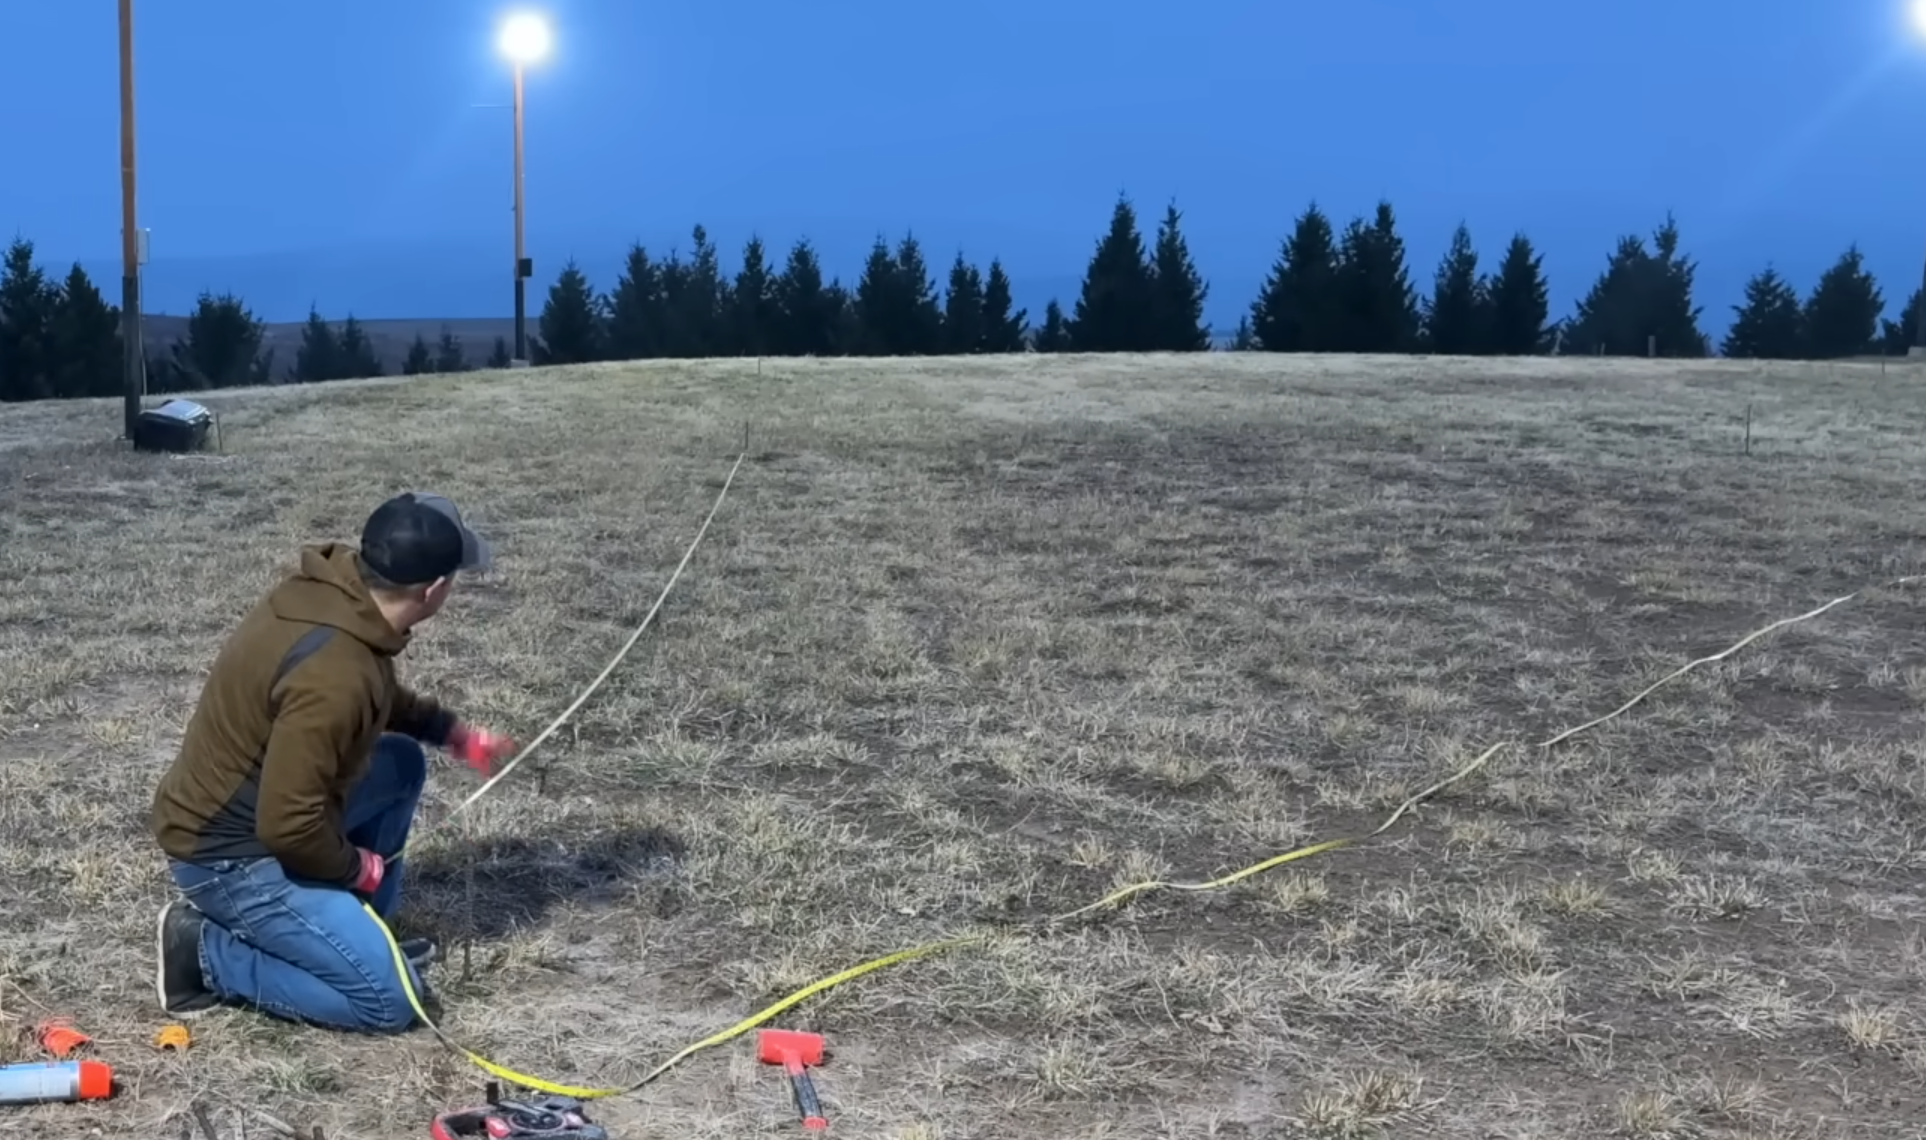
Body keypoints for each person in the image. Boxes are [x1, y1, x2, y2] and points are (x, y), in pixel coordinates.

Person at [149, 492, 518, 1033]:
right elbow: (287, 826)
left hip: (252, 820)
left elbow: (375, 696)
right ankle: (203, 952)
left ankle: (358, 934)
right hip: (228, 856)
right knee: (391, 1003)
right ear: (435, 589)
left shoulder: (334, 600)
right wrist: (354, 866)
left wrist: (454, 735)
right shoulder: (337, 674)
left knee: (399, 764)